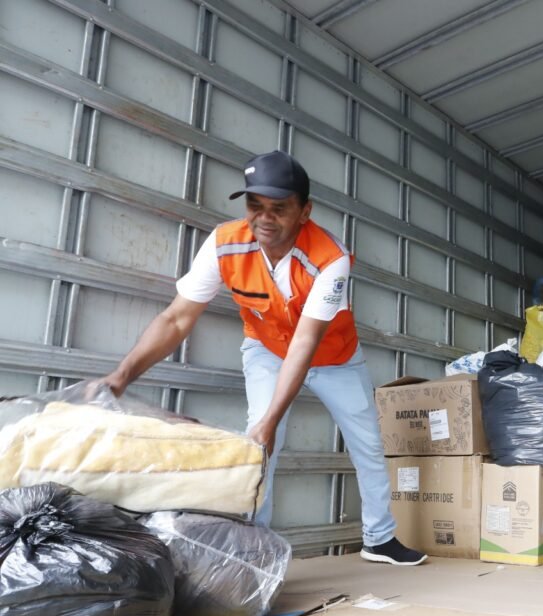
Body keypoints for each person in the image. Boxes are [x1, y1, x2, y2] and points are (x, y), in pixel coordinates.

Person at [100, 150, 426, 566]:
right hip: (267, 350)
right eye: (255, 206)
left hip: (335, 357)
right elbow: (177, 318)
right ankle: (256, 551)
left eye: (279, 209)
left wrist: (274, 418)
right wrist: (121, 376)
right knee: (260, 446)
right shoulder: (224, 244)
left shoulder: (331, 259)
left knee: (368, 445)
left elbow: (306, 343)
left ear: (304, 211)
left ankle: (380, 539)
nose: (264, 219)